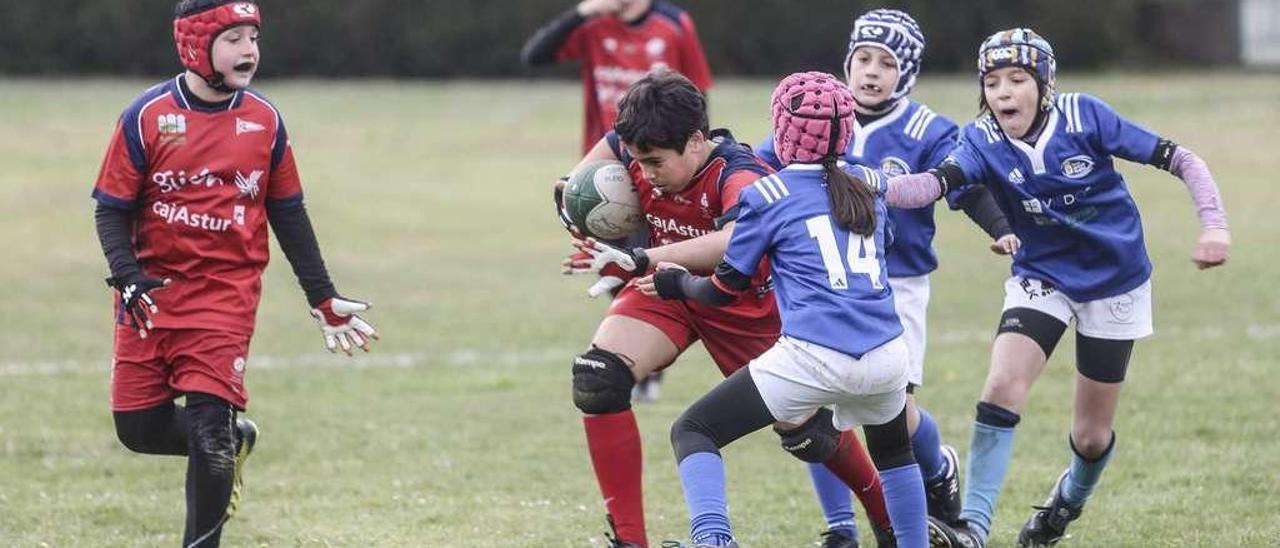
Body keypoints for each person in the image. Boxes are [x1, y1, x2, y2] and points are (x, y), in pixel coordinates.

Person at [886, 29, 1231, 548]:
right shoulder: (982, 139)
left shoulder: (1084, 115)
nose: (1003, 92)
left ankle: (1064, 504)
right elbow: (933, 184)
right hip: (1042, 276)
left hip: (1116, 281)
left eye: (1017, 79)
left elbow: (1182, 159)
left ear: (1044, 84)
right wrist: (870, 184)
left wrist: (1214, 224)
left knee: (1091, 437)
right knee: (1001, 386)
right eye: (993, 82)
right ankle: (973, 529)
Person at [558, 69, 891, 548]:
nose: (644, 173)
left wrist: (644, 256)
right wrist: (573, 197)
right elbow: (587, 174)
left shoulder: (740, 173)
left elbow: (735, 240)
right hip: (666, 294)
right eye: (636, 160)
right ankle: (631, 541)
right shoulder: (640, 143)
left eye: (654, 163)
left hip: (742, 306)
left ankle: (887, 519)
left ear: (696, 141)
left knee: (809, 435)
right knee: (597, 378)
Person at [92, 1, 378, 545]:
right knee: (137, 429)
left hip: (224, 298)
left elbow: (288, 212)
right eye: (234, 39)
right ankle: (233, 436)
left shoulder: (264, 121)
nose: (249, 50)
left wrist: (322, 296)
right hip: (150, 295)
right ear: (197, 44)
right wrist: (127, 275)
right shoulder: (147, 116)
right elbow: (111, 207)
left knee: (208, 435)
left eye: (253, 37)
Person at [644, 70, 963, 547]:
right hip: (886, 355)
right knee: (895, 454)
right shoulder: (868, 182)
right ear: (847, 131)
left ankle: (713, 540)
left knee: (694, 430)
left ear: (782, 130)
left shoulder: (767, 195)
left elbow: (724, 288)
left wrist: (677, 283)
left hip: (814, 355)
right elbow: (899, 218)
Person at [753, 10, 1015, 546]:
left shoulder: (928, 130)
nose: (872, 72)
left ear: (909, 73)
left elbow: (965, 185)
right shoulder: (818, 115)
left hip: (896, 284)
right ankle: (841, 528)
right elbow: (755, 165)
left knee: (895, 413)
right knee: (810, 405)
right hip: (819, 283)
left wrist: (1001, 227)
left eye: (887, 63)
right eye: (863, 59)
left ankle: (936, 467)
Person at [520, 0, 713, 154]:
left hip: (659, 154)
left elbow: (699, 92)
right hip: (603, 154)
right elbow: (535, 56)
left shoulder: (675, 25)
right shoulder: (593, 25)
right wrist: (580, 12)